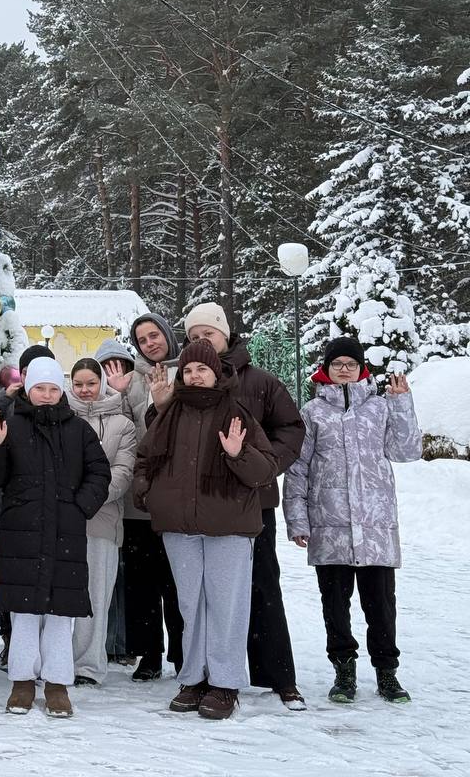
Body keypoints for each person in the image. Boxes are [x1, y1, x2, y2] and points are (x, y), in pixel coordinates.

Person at [133, 340, 279, 721]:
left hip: (229, 527)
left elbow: (265, 471)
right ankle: (194, 678)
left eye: (202, 369)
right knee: (190, 605)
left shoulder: (237, 412)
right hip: (179, 527)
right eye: (188, 370)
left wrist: (238, 454)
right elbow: (145, 458)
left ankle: (225, 683)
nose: (195, 376)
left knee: (226, 606)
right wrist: (148, 496)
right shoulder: (169, 412)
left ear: (217, 373)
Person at [284, 337, 422, 704]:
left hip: (375, 527)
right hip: (329, 527)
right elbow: (297, 470)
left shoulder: (380, 407)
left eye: (350, 363)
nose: (343, 369)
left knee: (381, 606)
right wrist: (297, 520)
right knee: (335, 605)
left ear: (361, 369)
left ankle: (387, 673)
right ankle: (343, 671)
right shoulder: (312, 412)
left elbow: (407, 451)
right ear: (326, 369)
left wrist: (401, 404)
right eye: (337, 364)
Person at [184, 302, 307, 710]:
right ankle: (208, 674)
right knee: (209, 593)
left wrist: (264, 465)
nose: (203, 341)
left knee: (262, 586)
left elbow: (291, 428)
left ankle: (278, 675)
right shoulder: (189, 380)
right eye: (194, 337)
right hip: (205, 504)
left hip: (253, 500)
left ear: (225, 333)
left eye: (208, 334)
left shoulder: (260, 382)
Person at [0, 357, 111, 717]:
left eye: (53, 388)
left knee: (60, 614)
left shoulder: (78, 429)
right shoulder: (9, 425)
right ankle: (22, 682)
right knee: (23, 613)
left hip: (65, 533)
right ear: (28, 389)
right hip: (21, 533)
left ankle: (57, 684)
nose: (47, 395)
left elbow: (99, 472)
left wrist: (79, 506)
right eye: (40, 388)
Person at [104, 314, 184, 681]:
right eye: (142, 339)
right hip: (139, 497)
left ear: (167, 335)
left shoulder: (188, 372)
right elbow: (122, 431)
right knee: (142, 582)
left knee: (177, 583)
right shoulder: (131, 379)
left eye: (155, 335)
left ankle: (183, 653)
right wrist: (119, 394)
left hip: (177, 497)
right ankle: (149, 654)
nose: (150, 343)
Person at [67, 357, 136, 688]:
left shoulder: (122, 424)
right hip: (62, 522)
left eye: (91, 383)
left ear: (102, 384)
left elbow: (122, 473)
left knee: (96, 594)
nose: (85, 390)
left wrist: (85, 499)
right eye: (78, 384)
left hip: (102, 519)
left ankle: (88, 665)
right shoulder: (60, 417)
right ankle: (57, 658)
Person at [0, 343, 56, 669]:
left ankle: (46, 647)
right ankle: (10, 639)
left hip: (48, 513)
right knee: (9, 580)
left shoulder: (55, 403)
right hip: (7, 512)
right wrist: (6, 396)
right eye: (27, 371)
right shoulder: (7, 404)